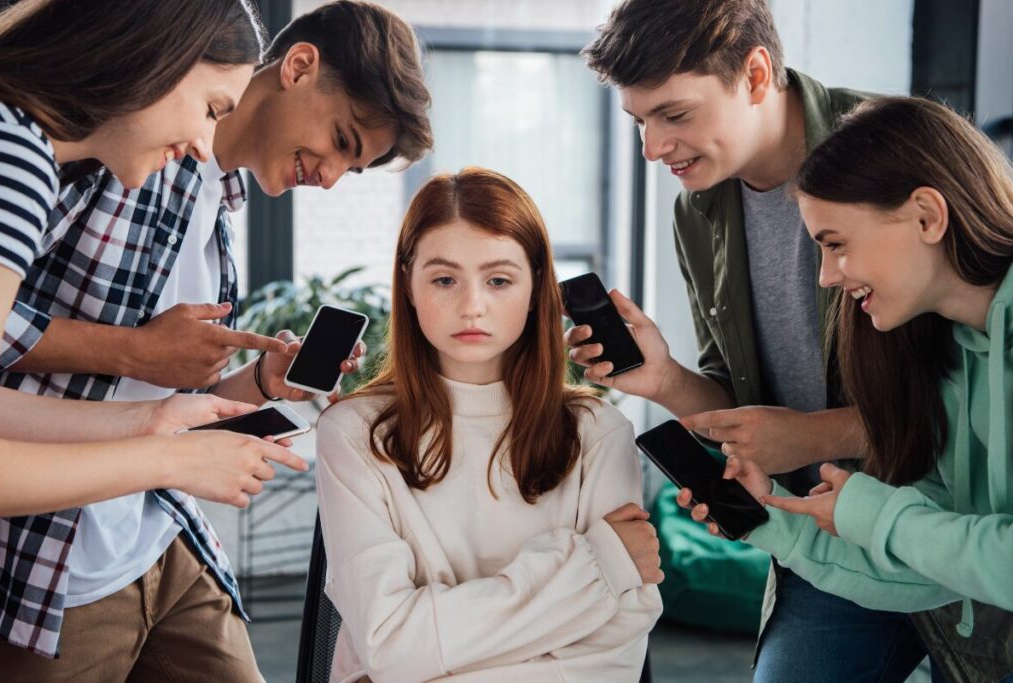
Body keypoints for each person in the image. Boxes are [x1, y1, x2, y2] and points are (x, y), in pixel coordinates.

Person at [577, 0, 930, 680]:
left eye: (674, 115)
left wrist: (814, 434)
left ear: (757, 73)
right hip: (827, 537)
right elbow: (743, 402)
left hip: (955, 521)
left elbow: (978, 395)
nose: (652, 148)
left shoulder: (901, 148)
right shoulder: (699, 211)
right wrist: (663, 379)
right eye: (640, 121)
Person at [0, 0, 309, 676]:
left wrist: (157, 423)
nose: (202, 143)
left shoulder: (17, 146)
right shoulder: (12, 160)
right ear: (154, 58)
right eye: (213, 108)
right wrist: (170, 460)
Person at [679, 96, 1013, 683]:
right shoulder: (947, 356)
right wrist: (768, 520)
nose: (827, 276)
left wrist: (872, 510)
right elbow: (928, 572)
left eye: (835, 244)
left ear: (927, 217)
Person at [315, 167, 663, 683]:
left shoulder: (599, 433)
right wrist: (599, 566)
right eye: (444, 279)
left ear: (536, 287)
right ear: (408, 284)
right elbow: (389, 643)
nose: (472, 305)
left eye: (499, 280)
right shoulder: (352, 432)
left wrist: (430, 653)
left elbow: (610, 659)